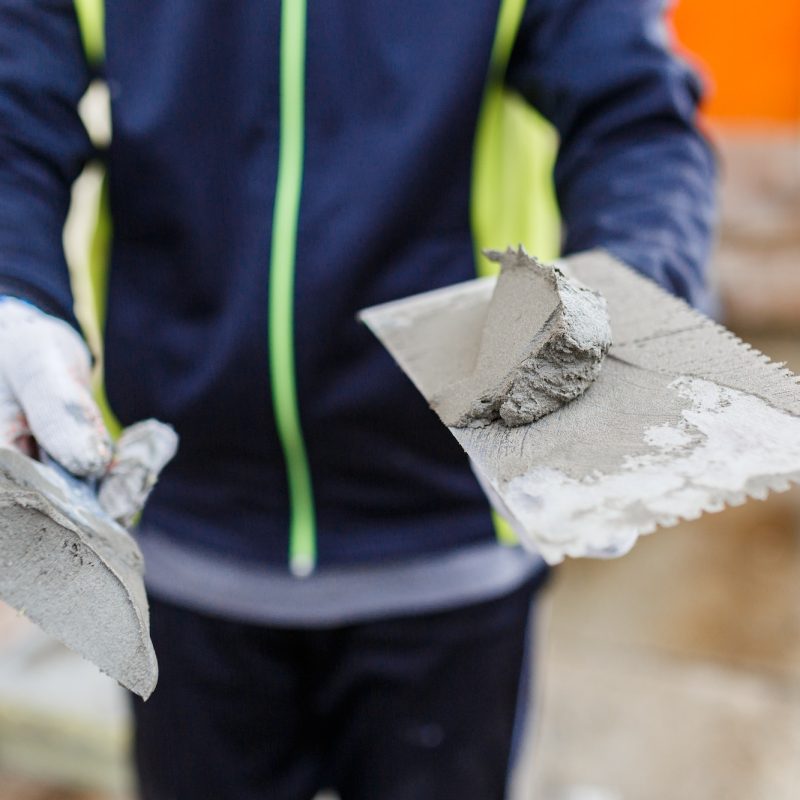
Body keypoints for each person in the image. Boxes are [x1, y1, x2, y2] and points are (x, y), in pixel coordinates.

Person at [0, 1, 715, 798]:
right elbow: (13, 102)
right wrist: (15, 287)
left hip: (450, 534)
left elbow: (633, 120)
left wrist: (626, 307)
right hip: (185, 538)